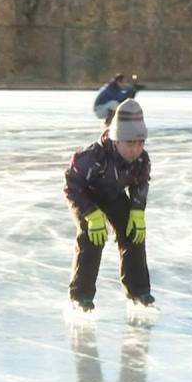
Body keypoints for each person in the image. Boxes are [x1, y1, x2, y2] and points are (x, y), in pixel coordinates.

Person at [64, 100, 154, 312]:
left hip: (112, 195)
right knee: (92, 236)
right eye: (130, 144)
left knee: (133, 234)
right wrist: (91, 215)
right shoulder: (94, 157)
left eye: (140, 143)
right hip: (84, 195)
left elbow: (141, 183)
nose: (135, 150)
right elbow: (72, 183)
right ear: (116, 140)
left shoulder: (142, 160)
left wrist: (137, 211)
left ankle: (138, 291)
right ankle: (80, 295)